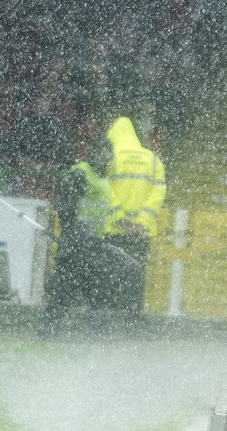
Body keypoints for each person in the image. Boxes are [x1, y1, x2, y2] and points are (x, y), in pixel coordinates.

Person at [99, 115, 165, 332]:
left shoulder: (112, 158)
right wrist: (141, 221)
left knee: (108, 276)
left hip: (113, 229)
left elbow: (105, 189)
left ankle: (104, 323)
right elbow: (158, 192)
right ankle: (133, 321)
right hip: (141, 232)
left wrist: (120, 218)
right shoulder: (152, 159)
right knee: (136, 278)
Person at [42, 138, 113, 337]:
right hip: (78, 242)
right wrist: (74, 233)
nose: (106, 156)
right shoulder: (81, 173)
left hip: (95, 242)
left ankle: (97, 333)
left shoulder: (104, 177)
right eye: (103, 151)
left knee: (99, 287)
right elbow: (66, 206)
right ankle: (48, 327)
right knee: (67, 288)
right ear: (95, 153)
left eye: (109, 152)